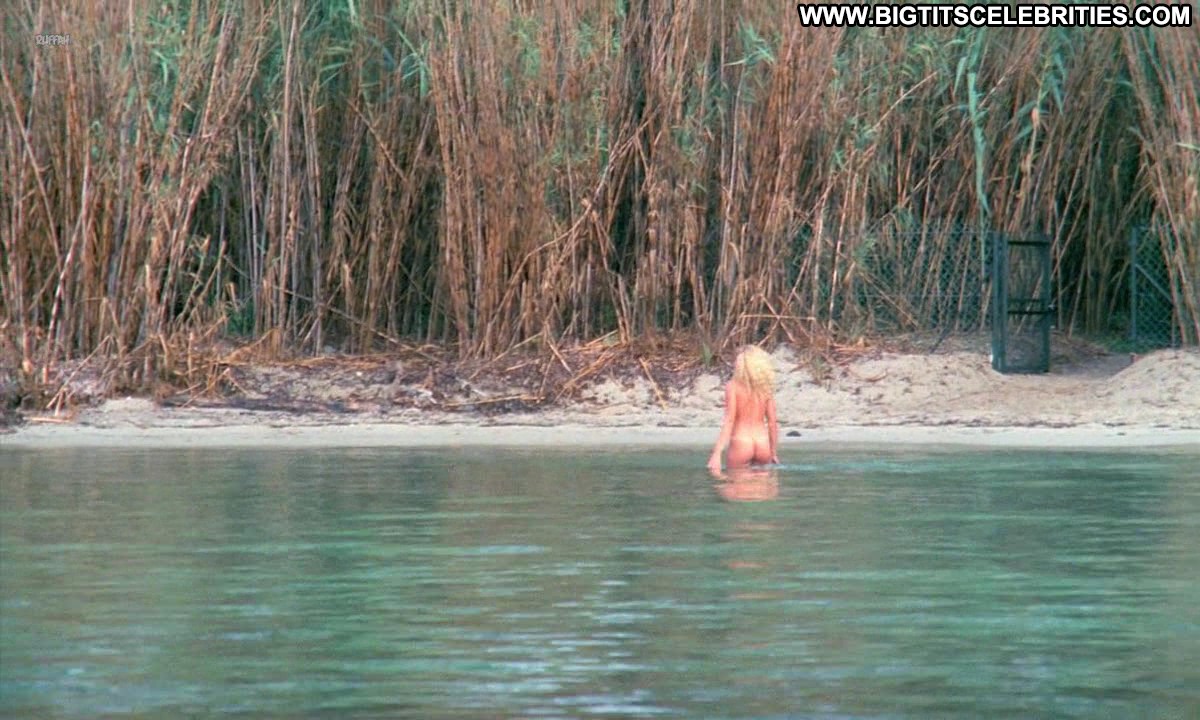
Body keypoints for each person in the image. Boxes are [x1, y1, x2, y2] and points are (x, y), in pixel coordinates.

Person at [707, 345, 779, 473]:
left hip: (741, 442)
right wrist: (773, 452)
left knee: (735, 483)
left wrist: (716, 453)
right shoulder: (765, 388)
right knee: (762, 485)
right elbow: (772, 423)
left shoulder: (733, 386)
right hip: (762, 443)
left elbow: (729, 420)